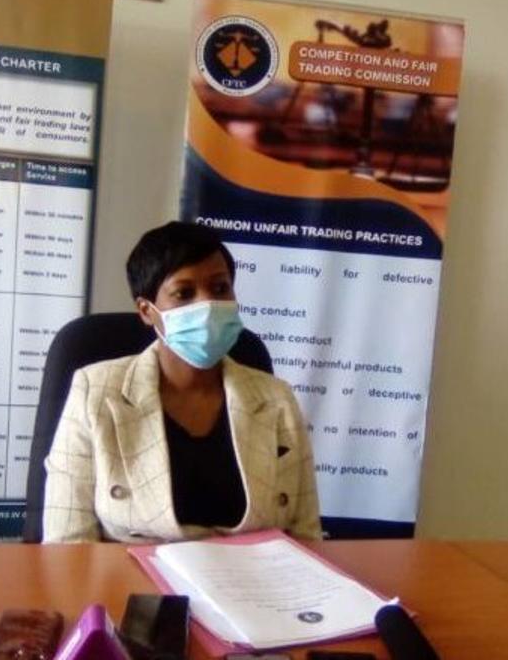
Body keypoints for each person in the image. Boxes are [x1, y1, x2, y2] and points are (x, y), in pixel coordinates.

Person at [42, 221, 321, 543]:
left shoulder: (277, 398)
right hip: (131, 572)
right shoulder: (94, 392)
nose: (206, 305)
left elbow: (306, 536)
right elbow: (67, 543)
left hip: (253, 574)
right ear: (146, 311)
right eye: (184, 294)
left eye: (220, 288)